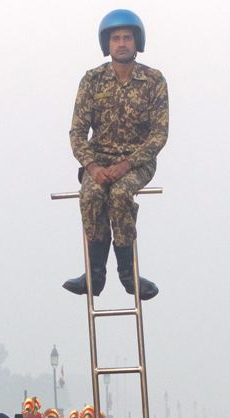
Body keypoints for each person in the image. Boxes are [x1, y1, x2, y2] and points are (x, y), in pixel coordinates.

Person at [63, 8, 168, 301]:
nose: (121, 43)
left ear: (137, 42)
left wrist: (128, 164)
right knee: (92, 196)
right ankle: (94, 275)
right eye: (116, 38)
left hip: (137, 162)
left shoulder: (154, 81)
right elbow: (77, 132)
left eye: (127, 38)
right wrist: (92, 166)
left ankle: (128, 275)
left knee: (120, 194)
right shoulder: (92, 81)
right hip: (99, 162)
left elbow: (159, 134)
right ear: (107, 44)